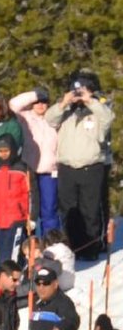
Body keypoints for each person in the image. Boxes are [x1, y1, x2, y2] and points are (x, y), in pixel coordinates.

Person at [49, 71, 113, 259]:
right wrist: (64, 102)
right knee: (68, 209)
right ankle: (73, 246)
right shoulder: (65, 112)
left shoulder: (98, 110)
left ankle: (92, 247)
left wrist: (89, 99)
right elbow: (49, 119)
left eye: (81, 91)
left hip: (90, 167)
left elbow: (108, 118)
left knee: (90, 210)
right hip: (67, 168)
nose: (78, 95)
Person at [10, 87, 60, 236]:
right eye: (37, 102)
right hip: (28, 169)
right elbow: (13, 104)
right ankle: (27, 243)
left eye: (44, 101)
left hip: (49, 171)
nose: (40, 104)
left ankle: (50, 241)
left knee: (49, 209)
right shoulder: (25, 117)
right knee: (27, 209)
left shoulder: (54, 119)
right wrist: (34, 94)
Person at [0, 135, 32, 266]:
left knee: (9, 255)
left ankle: (10, 278)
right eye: (0, 151)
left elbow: (31, 195)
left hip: (16, 219)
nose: (3, 154)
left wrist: (30, 218)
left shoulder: (22, 169)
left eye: (6, 151)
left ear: (13, 150)